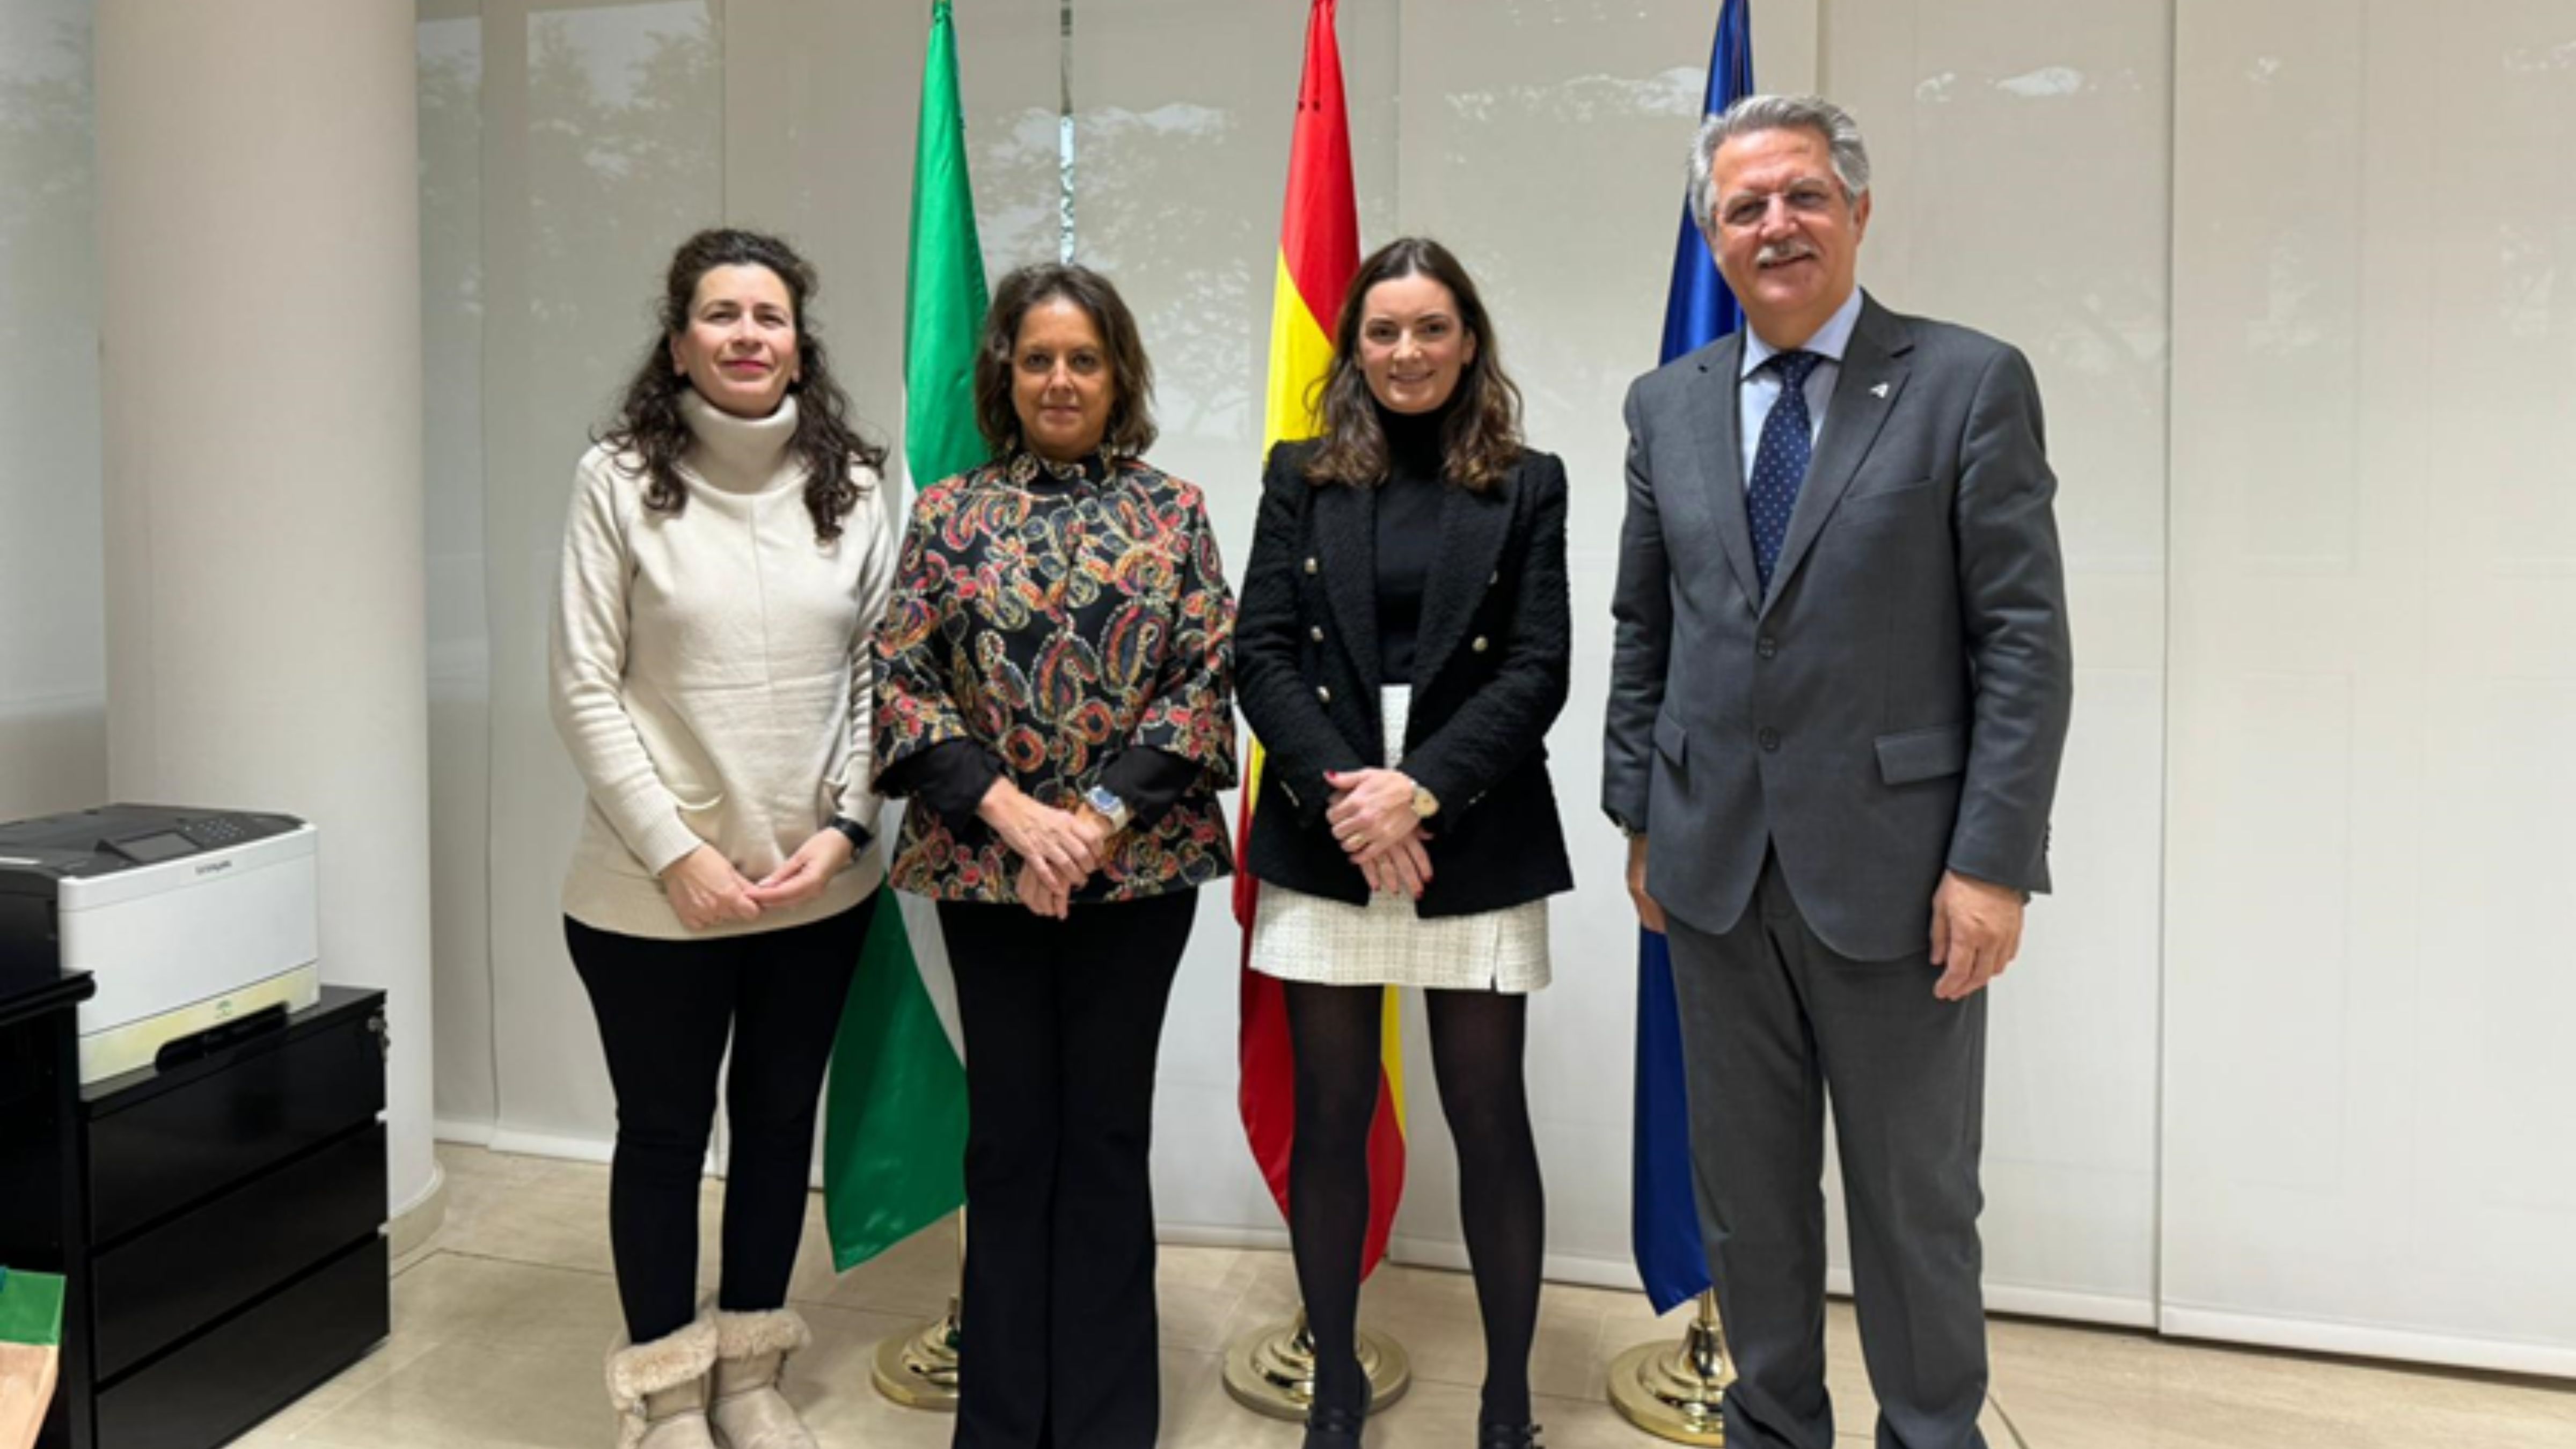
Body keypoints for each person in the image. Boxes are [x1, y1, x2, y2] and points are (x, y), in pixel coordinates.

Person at [1604, 94, 2075, 1449]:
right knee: (1747, 1199)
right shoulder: (1668, 404)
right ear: (1715, 233)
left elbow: (2024, 647)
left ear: (1858, 211)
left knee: (1913, 1201)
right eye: (1745, 206)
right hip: (1711, 874)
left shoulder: (1968, 382)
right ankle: (1772, 1426)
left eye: (1804, 195)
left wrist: (1992, 864)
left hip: (1904, 876)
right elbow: (1651, 625)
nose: (1776, 224)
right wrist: (1642, 814)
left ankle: (1931, 1432)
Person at [871, 262, 1237, 1449]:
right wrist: (1016, 819)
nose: (1061, 379)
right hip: (987, 874)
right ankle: (1003, 1420)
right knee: (1012, 1134)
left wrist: (1089, 824)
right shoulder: (948, 516)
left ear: (1118, 370)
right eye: (1039, 358)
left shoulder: (1173, 512)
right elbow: (905, 682)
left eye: (1084, 358)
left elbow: (1202, 684)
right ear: (1005, 374)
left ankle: (1104, 1420)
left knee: (1105, 1136)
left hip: (1137, 875)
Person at [551, 228, 902, 1449]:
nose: (748, 335)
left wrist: (853, 828)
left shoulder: (857, 483)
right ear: (679, 338)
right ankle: (661, 1394)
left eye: (770, 314)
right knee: (660, 1136)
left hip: (816, 888)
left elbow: (878, 678)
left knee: (775, 1127)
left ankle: (749, 1368)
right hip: (653, 898)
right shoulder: (615, 478)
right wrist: (675, 853)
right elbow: (585, 686)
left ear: (800, 338)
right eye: (721, 314)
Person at [1236, 237, 1573, 1449]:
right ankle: (1334, 1386)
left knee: (1491, 1117)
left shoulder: (1529, 483)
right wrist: (1354, 799)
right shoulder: (1300, 474)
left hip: (1472, 825)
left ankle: (1508, 1399)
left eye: (1431, 329)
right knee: (1330, 1114)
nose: (1406, 352)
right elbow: (1259, 653)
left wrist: (1419, 793)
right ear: (1355, 348)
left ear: (1468, 339)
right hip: (1328, 820)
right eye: (1383, 332)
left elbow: (1539, 668)